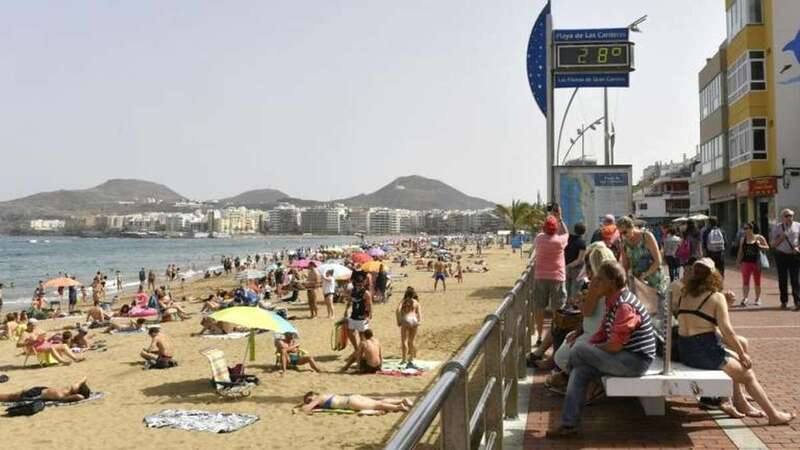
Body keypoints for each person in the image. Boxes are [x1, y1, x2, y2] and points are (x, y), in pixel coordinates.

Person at [673, 258, 794, 425]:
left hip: (685, 350)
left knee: (735, 360)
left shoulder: (684, 294)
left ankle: (739, 400)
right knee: (748, 375)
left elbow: (699, 320)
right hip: (704, 351)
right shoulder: (715, 297)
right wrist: (742, 354)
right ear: (713, 276)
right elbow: (727, 331)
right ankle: (773, 415)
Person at [547, 261, 656, 438]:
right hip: (623, 355)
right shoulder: (613, 300)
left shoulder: (624, 306)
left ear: (612, 283)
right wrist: (589, 342)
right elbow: (603, 331)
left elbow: (614, 345)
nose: (594, 283)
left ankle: (565, 374)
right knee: (580, 371)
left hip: (634, 361)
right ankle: (569, 425)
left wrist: (591, 349)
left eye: (599, 280)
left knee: (580, 350)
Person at [549, 243, 617, 390]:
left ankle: (587, 381)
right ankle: (576, 378)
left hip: (595, 336)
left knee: (560, 357)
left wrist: (580, 303)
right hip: (605, 334)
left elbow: (587, 312)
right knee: (566, 346)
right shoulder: (615, 282)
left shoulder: (596, 284)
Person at [532, 208, 568, 351]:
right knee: (557, 309)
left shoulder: (539, 238)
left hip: (540, 276)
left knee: (539, 307)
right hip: (557, 277)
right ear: (556, 228)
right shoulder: (560, 241)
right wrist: (560, 218)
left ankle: (540, 336)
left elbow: (539, 238)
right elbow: (567, 233)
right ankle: (555, 336)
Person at [770, 208, 800, 310]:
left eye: (791, 215)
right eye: (786, 216)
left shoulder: (798, 226)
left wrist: (798, 248)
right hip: (781, 255)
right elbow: (772, 244)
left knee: (795, 279)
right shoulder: (777, 227)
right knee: (782, 279)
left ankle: (797, 301)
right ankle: (784, 301)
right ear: (783, 217)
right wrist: (781, 238)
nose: (789, 218)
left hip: (794, 255)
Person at [17, 319, 85, 363]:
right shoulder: (24, 333)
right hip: (34, 348)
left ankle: (75, 358)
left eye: (35, 326)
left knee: (64, 345)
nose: (34, 327)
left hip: (44, 344)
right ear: (28, 325)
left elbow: (45, 335)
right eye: (32, 326)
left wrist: (45, 337)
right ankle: (62, 361)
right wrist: (32, 341)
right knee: (51, 348)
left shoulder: (36, 329)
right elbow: (18, 345)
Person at [737, 222, 770, 307]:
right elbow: (740, 251)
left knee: (757, 281)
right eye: (744, 228)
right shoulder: (742, 239)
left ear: (751, 229)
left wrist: (760, 246)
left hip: (756, 262)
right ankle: (745, 298)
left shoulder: (759, 237)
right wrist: (738, 261)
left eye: (746, 228)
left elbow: (767, 247)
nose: (744, 230)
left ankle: (758, 298)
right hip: (746, 262)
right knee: (745, 281)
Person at [298, 391, 412, 414]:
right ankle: (402, 400)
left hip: (350, 403)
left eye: (309, 400)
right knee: (377, 401)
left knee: (376, 405)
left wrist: (302, 406)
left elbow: (306, 409)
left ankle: (399, 407)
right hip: (352, 397)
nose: (310, 402)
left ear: (313, 395)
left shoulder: (318, 398)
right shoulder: (325, 394)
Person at [0, 378, 92, 403]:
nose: (76, 385)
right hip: (41, 389)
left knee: (10, 397)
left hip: (37, 395)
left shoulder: (67, 396)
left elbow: (79, 397)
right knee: (12, 395)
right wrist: (82, 384)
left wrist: (83, 395)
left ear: (77, 391)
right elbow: (83, 379)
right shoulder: (72, 388)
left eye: (78, 386)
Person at [343, 275, 372, 350]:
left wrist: (369, 316)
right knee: (350, 332)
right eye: (358, 284)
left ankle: (362, 351)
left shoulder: (366, 293)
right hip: (353, 315)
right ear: (355, 283)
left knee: (362, 336)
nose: (359, 286)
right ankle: (356, 348)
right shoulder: (353, 291)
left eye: (361, 284)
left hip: (362, 317)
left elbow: (369, 305)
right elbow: (349, 301)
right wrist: (346, 310)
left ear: (363, 283)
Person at [396, 287, 421, 365]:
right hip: (414, 319)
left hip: (406, 319)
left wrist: (399, 320)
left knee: (404, 341)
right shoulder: (416, 302)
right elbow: (419, 313)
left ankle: (404, 359)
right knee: (411, 341)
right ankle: (411, 358)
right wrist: (419, 321)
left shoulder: (403, 302)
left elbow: (398, 310)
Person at [564, 223, 588, 300]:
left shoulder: (567, 239)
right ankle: (574, 308)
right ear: (584, 232)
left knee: (566, 289)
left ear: (574, 230)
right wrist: (570, 265)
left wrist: (566, 266)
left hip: (566, 268)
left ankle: (566, 307)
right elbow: (580, 260)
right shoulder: (582, 243)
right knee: (576, 290)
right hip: (577, 270)